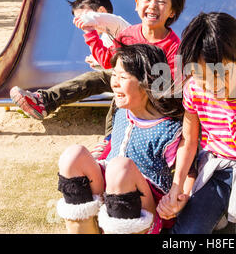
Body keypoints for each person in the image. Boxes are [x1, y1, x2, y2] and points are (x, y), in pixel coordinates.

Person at [10, 0, 190, 156]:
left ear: (173, 11)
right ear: (137, 4)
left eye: (162, 1)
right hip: (129, 89)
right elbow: (107, 61)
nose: (153, 5)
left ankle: (111, 140)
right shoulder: (127, 35)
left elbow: (167, 91)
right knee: (101, 77)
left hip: (154, 100)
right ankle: (44, 101)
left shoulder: (174, 47)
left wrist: (133, 86)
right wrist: (90, 33)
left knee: (123, 86)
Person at [56, 43, 197, 234]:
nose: (114, 82)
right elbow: (116, 142)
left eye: (123, 77)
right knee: (73, 155)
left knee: (120, 168)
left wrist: (181, 198)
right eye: (114, 75)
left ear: (147, 83)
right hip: (107, 195)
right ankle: (86, 229)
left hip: (143, 210)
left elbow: (190, 171)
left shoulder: (169, 130)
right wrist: (102, 149)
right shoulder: (122, 112)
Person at [164, 12, 236, 234]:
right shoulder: (193, 90)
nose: (212, 87)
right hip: (215, 166)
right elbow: (189, 141)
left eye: (221, 75)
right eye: (203, 78)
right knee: (189, 230)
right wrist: (177, 186)